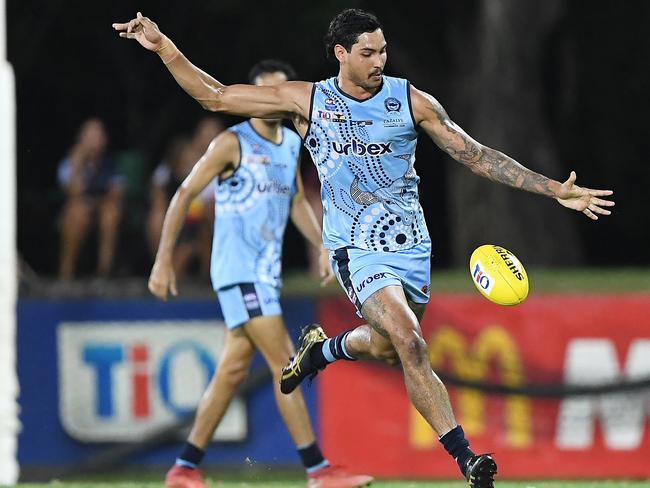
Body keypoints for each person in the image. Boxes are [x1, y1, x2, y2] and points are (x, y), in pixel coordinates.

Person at [114, 9, 615, 487]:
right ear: (341, 53)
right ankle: (467, 457)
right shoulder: (307, 101)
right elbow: (217, 97)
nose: (380, 61)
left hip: (411, 247)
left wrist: (555, 189)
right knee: (410, 339)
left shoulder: (411, 101)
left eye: (383, 51)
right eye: (369, 53)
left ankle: (324, 349)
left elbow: (478, 156)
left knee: (386, 346)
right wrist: (164, 48)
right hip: (358, 249)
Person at [147, 59, 373, 488]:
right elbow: (184, 194)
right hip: (238, 273)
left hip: (265, 276)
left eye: (278, 92)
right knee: (286, 362)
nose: (271, 100)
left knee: (232, 370)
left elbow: (293, 204)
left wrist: (320, 243)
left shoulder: (290, 144)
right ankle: (319, 471)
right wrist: (162, 260)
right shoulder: (231, 143)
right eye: (264, 92)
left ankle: (184, 467)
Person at [147, 116, 224, 278]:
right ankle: (161, 264)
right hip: (180, 217)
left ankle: (209, 273)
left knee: (186, 252)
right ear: (197, 135)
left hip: (205, 220)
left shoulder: (226, 163)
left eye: (213, 131)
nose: (209, 136)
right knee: (158, 213)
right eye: (205, 131)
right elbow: (159, 187)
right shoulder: (180, 154)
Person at [57, 118, 125, 280]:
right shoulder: (69, 164)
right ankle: (66, 272)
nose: (94, 142)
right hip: (78, 212)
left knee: (111, 214)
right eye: (90, 137)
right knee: (77, 213)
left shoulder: (111, 164)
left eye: (98, 137)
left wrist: (97, 203)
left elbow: (118, 192)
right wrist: (78, 163)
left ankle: (104, 273)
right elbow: (73, 191)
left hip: (102, 209)